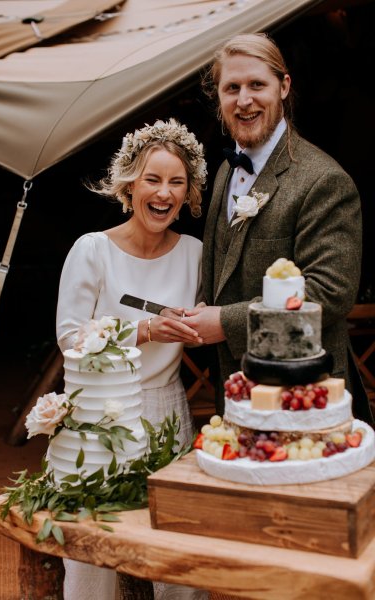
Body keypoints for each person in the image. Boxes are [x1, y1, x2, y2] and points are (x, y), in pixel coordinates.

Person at [182, 33, 373, 424]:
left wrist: (223, 322)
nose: (244, 100)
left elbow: (327, 295)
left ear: (283, 87)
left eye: (257, 85)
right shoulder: (224, 172)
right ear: (218, 98)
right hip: (236, 391)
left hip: (303, 393)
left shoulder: (323, 180)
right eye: (231, 88)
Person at [56, 118, 209, 600]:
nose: (164, 193)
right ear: (128, 184)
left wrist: (203, 320)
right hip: (100, 413)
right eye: (153, 179)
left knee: (176, 550)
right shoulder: (92, 250)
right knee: (92, 549)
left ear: (189, 194)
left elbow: (207, 317)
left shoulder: (194, 254)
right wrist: (144, 329)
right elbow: (70, 339)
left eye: (176, 182)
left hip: (168, 412)